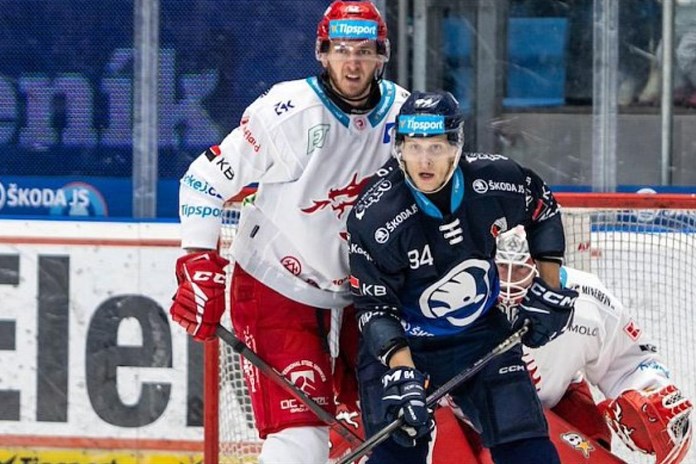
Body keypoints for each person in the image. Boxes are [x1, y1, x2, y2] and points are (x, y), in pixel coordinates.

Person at [168, 1, 409, 463]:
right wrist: (198, 261)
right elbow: (204, 179)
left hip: (367, 295)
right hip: (278, 287)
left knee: (392, 424)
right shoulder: (286, 112)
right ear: (322, 52)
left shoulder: (404, 115)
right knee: (301, 438)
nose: (352, 62)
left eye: (364, 50)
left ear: (382, 54)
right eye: (341, 49)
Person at [345, 90, 577, 464]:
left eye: (436, 147)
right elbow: (374, 307)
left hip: (481, 336)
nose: (424, 160)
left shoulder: (493, 181)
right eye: (414, 146)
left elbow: (542, 207)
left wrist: (549, 285)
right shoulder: (375, 217)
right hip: (405, 344)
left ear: (456, 146)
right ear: (399, 148)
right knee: (397, 453)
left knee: (529, 451)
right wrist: (402, 373)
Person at [487, 225, 693, 463]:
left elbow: (629, 360)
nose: (509, 282)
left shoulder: (587, 300)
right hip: (463, 410)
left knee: (592, 441)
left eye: (521, 268)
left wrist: (649, 389)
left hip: (555, 402)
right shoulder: (455, 292)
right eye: (501, 266)